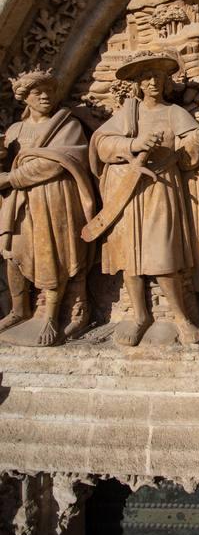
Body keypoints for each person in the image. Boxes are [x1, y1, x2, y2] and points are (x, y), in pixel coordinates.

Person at [89, 51, 199, 346]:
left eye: (159, 76)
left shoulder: (174, 113)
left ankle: (182, 318)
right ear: (139, 84)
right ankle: (140, 316)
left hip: (161, 190)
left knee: (163, 254)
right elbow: (101, 144)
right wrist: (134, 143)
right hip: (128, 191)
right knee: (130, 256)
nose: (154, 82)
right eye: (147, 77)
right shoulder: (128, 113)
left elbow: (188, 156)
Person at [0, 68, 95, 345]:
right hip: (20, 202)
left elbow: (56, 162)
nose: (44, 96)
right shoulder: (15, 130)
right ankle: (19, 310)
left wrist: (12, 178)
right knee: (13, 252)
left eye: (49, 91)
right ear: (24, 98)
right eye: (37, 92)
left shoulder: (66, 125)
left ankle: (52, 315)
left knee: (52, 253)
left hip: (55, 198)